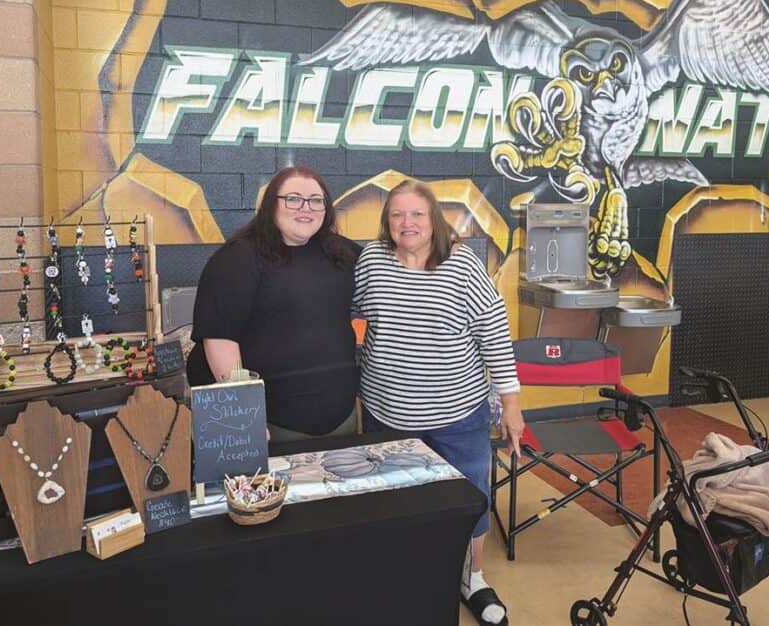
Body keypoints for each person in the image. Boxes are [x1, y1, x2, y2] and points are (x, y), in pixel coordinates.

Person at [353, 179, 525, 626]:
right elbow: (349, 315)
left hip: (458, 415)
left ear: (434, 220)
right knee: (395, 498)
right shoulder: (371, 261)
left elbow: (495, 336)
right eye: (396, 214)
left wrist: (511, 405)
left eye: (416, 214)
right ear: (386, 222)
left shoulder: (462, 264)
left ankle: (472, 578)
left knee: (470, 497)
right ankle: (407, 573)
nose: (406, 223)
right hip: (386, 413)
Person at [187, 166, 360, 441]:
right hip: (273, 426)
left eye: (316, 200)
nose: (307, 208)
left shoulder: (341, 252)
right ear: (271, 205)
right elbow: (219, 339)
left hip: (342, 419)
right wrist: (244, 415)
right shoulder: (238, 258)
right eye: (293, 199)